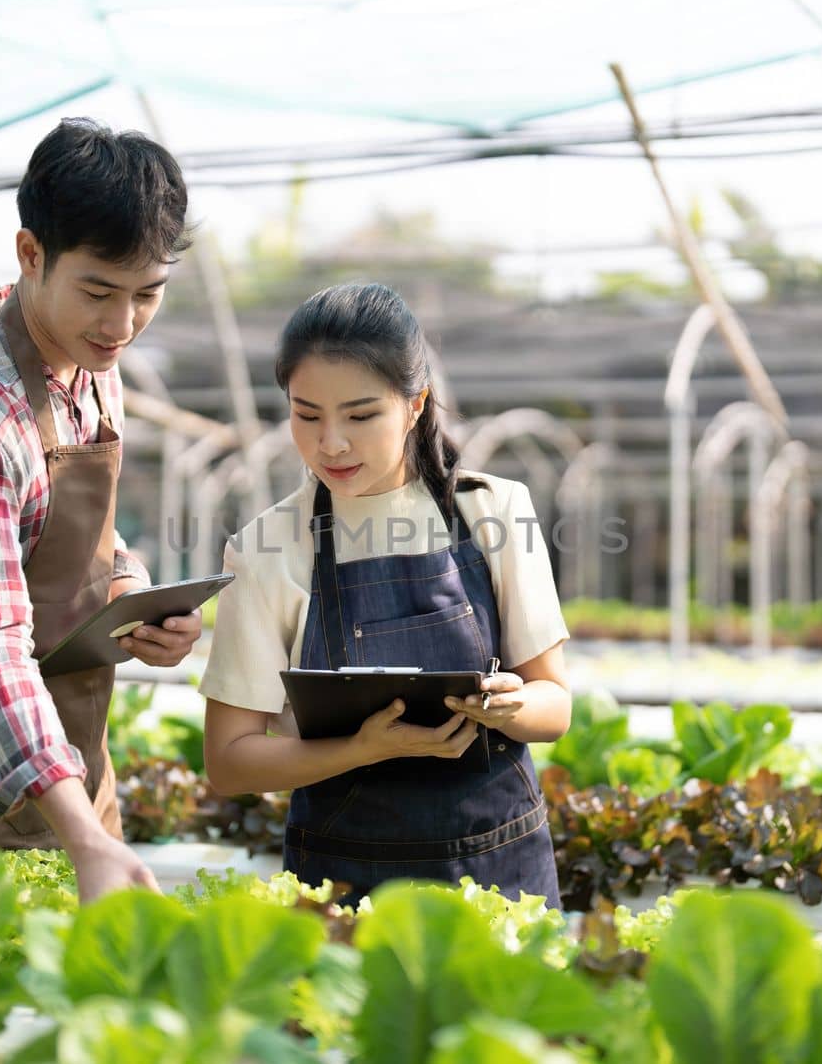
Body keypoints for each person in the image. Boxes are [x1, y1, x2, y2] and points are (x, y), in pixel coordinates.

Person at [0, 118, 202, 902]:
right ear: (30, 254)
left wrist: (135, 592)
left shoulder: (94, 368)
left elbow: (75, 539)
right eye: (98, 291)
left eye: (146, 295)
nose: (122, 325)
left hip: (76, 767)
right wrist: (82, 834)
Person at [199, 282, 571, 906]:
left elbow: (554, 705)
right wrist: (362, 748)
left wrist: (509, 706)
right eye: (306, 414)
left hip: (498, 872)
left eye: (361, 415)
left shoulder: (495, 511)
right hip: (345, 883)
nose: (331, 443)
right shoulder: (266, 546)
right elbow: (230, 760)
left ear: (416, 404)